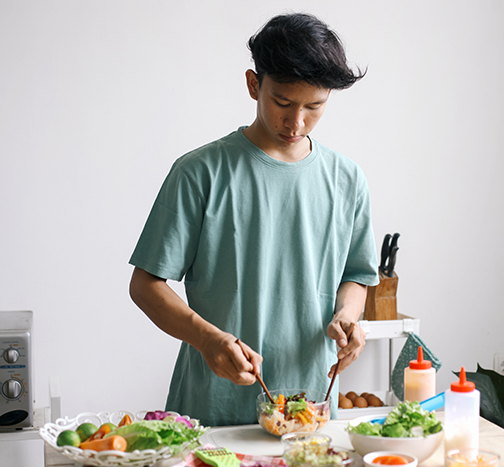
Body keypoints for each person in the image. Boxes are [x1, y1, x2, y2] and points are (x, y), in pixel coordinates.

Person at [129, 12, 379, 426]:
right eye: (282, 102)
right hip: (214, 410)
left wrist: (348, 319)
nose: (296, 122)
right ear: (253, 84)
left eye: (314, 106)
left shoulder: (347, 179)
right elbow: (146, 285)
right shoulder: (200, 172)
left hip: (311, 410)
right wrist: (206, 339)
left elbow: (357, 275)